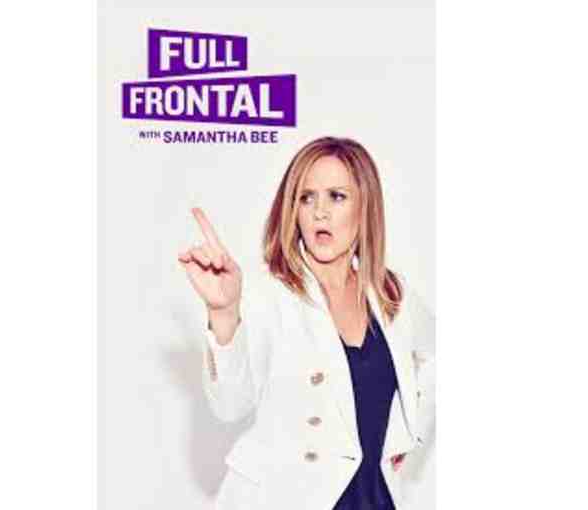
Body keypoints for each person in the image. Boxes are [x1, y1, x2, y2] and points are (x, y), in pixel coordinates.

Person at [177, 136, 435, 510]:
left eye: (337, 196)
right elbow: (230, 405)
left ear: (365, 207)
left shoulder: (391, 293)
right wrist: (223, 312)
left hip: (374, 498)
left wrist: (409, 432)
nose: (319, 212)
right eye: (306, 197)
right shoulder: (270, 294)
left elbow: (436, 358)